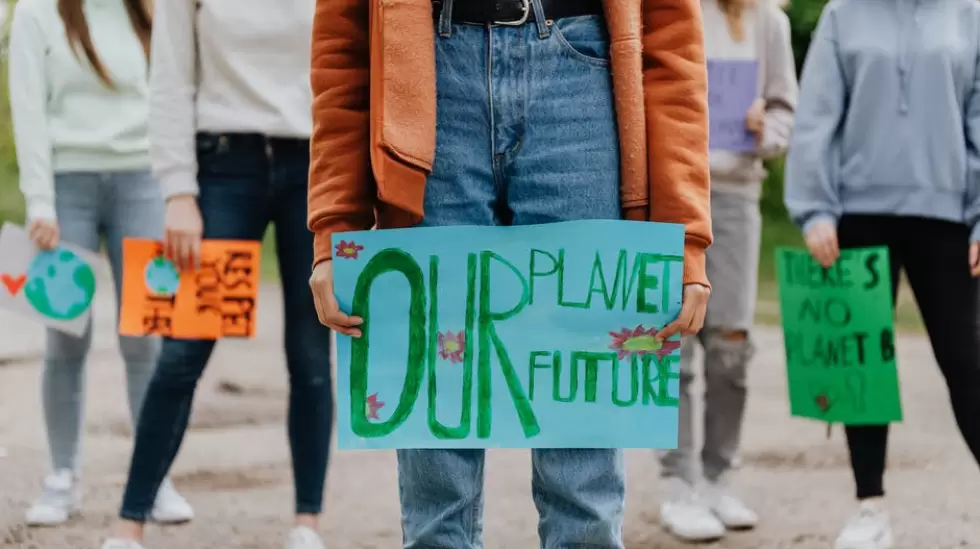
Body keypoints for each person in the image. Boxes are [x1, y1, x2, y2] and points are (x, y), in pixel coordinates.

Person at [307, 0, 712, 547]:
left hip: (583, 70)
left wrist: (684, 235)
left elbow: (672, 38)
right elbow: (343, 42)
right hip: (428, 73)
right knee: (436, 431)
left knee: (584, 455)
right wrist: (335, 224)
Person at [97, 0, 333, 548]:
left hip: (315, 166)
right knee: (183, 351)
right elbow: (171, 78)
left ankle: (307, 524)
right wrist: (178, 191)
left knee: (309, 352)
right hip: (225, 166)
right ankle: (129, 523)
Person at [785, 1, 980, 548]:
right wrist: (814, 208)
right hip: (857, 214)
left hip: (948, 216)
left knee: (966, 363)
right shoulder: (842, 13)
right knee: (862, 367)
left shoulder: (970, 13)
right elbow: (816, 114)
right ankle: (869, 507)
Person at [7, 0, 192, 528]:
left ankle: (154, 478)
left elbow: (178, 97)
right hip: (68, 186)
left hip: (144, 182)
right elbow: (29, 108)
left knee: (146, 335)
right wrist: (38, 200)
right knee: (64, 336)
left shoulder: (153, 10)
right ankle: (62, 475)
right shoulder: (37, 13)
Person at [656, 0, 797, 542]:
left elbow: (785, 111)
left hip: (736, 195)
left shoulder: (770, 23)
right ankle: (679, 483)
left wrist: (767, 129)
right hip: (672, 199)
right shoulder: (671, 10)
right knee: (677, 342)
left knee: (731, 343)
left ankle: (719, 477)